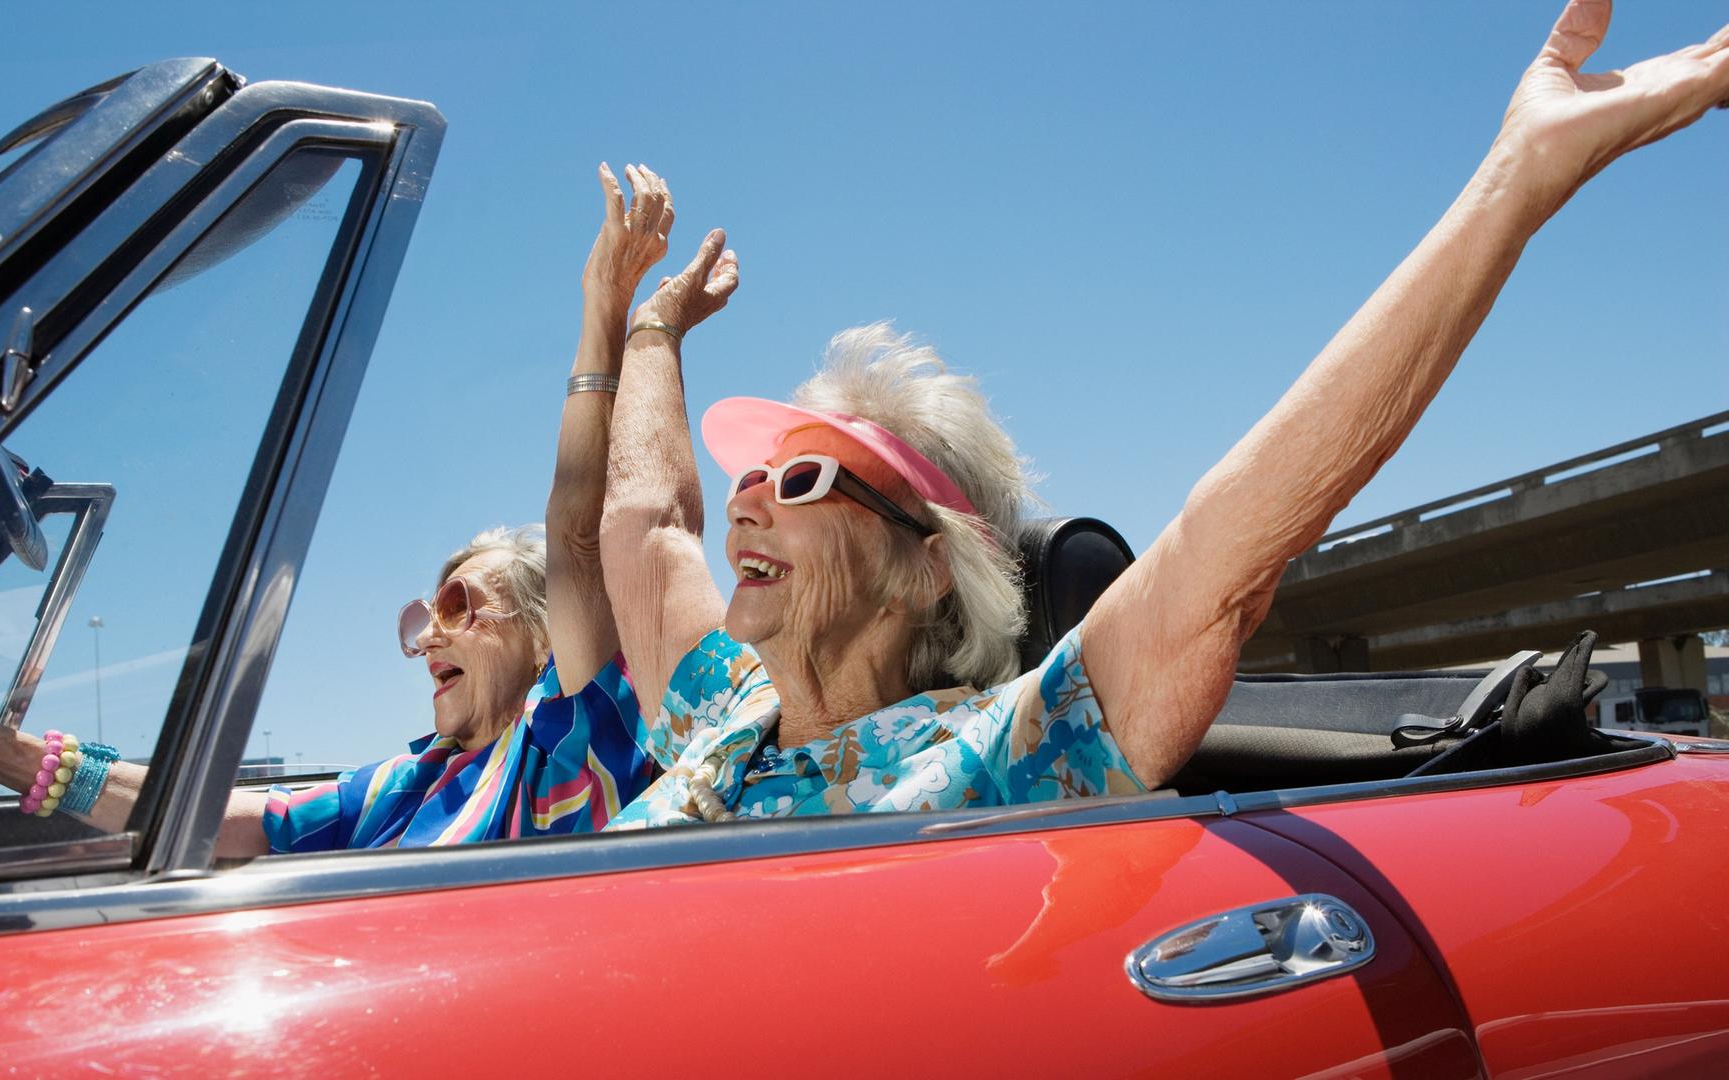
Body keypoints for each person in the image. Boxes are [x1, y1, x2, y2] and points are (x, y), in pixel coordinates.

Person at [597, 1, 1729, 825]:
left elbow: (1223, 551)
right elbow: (645, 524)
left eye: (802, 480)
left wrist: (1515, 183)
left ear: (926, 568)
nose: (746, 493)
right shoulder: (719, 703)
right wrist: (649, 330)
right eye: (754, 473)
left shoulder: (1000, 761)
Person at [0, 163, 679, 856]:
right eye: (424, 613)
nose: (428, 636)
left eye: (460, 607)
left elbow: (575, 533)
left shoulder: (569, 736)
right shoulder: (409, 782)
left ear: (546, 635)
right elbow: (233, 821)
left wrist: (606, 312)